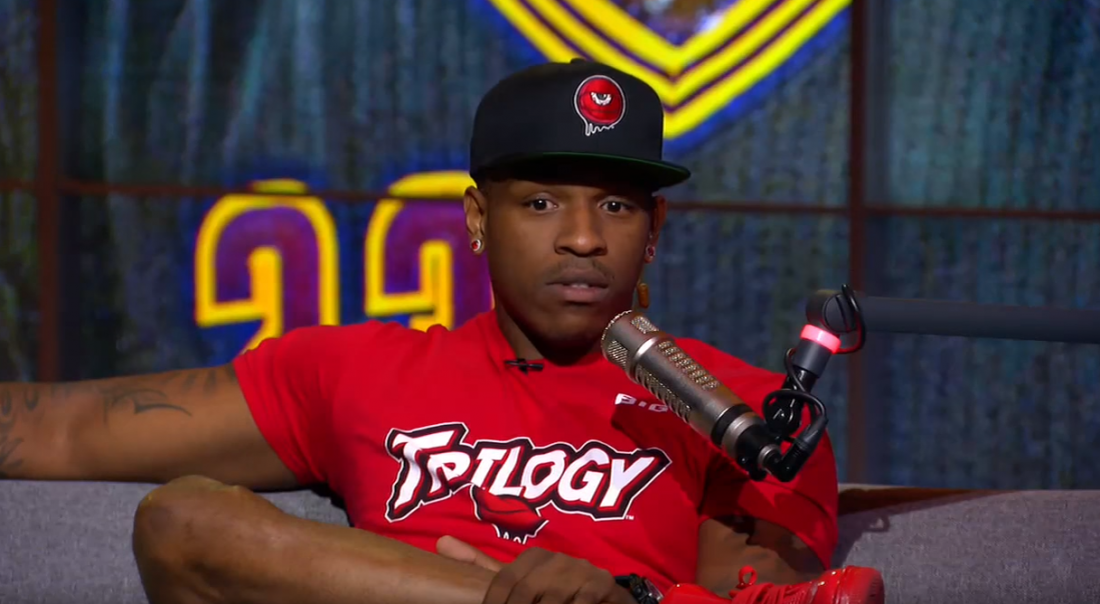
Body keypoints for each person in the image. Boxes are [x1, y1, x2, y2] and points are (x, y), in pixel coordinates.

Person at [0, 59, 884, 604]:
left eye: (616, 206)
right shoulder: (357, 370)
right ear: (476, 219)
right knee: (183, 516)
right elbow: (59, 431)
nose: (583, 237)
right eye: (541, 203)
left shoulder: (750, 414)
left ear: (654, 230)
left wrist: (619, 600)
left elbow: (755, 600)